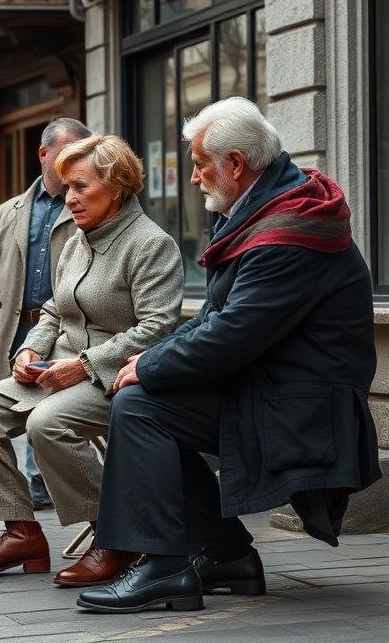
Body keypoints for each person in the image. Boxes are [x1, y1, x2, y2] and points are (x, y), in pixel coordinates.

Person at [76, 97, 383, 614]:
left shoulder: (284, 233)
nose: (193, 178)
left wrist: (147, 366)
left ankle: (166, 566)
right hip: (275, 390)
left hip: (304, 411)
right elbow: (216, 318)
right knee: (143, 400)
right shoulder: (270, 208)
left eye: (199, 164)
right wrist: (147, 361)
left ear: (236, 164)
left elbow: (233, 334)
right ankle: (223, 555)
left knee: (140, 407)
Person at [0, 136, 183, 581]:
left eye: (80, 187)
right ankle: (22, 533)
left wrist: (83, 365)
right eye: (67, 188)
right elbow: (56, 310)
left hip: (116, 376)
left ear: (115, 187)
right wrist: (30, 350)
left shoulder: (151, 244)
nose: (69, 197)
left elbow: (158, 329)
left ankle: (117, 538)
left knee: (47, 423)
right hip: (58, 366)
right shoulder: (80, 239)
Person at [0, 118, 93, 508]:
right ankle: (13, 500)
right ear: (43, 153)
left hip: (65, 331)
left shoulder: (86, 206)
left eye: (83, 156)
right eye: (68, 154)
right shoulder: (8, 212)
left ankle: (44, 484)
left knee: (48, 412)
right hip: (11, 329)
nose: (76, 164)